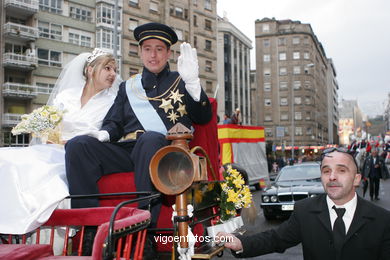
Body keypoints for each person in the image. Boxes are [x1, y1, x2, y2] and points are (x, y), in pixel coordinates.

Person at [65, 22, 212, 229]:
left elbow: (203, 117)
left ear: (168, 53)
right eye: (147, 49)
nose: (153, 55)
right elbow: (114, 122)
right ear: (140, 53)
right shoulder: (128, 86)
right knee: (78, 146)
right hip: (129, 151)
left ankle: (146, 228)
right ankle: (88, 228)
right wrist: (104, 134)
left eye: (159, 49)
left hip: (165, 153)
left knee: (149, 139)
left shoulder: (182, 80)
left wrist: (194, 85)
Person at [0, 48, 119, 235]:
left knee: (41, 172)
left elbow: (108, 133)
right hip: (52, 149)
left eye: (115, 70)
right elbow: (49, 127)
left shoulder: (113, 102)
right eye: (108, 68)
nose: (113, 74)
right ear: (90, 70)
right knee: (6, 158)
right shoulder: (66, 96)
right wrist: (48, 135)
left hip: (79, 157)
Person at [217, 147, 390, 260]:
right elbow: (276, 239)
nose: (332, 177)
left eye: (341, 170)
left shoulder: (382, 220)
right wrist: (241, 243)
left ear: (357, 179)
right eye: (326, 171)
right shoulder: (305, 211)